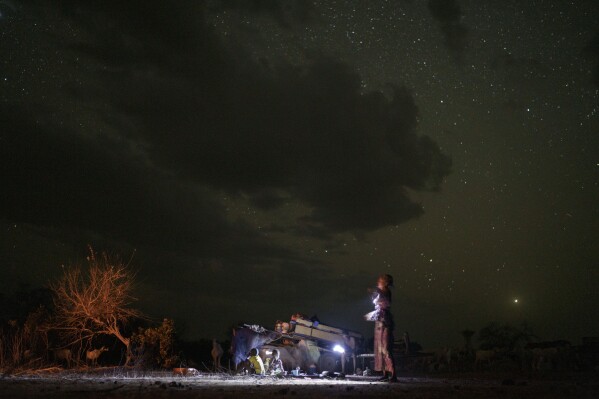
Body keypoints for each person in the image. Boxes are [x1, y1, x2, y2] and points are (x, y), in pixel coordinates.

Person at [364, 274, 397, 382]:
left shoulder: (386, 292)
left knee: (386, 349)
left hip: (384, 322)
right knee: (379, 349)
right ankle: (385, 373)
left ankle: (393, 374)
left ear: (385, 283)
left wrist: (375, 292)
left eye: (381, 280)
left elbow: (384, 303)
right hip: (379, 321)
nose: (378, 281)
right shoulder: (380, 292)